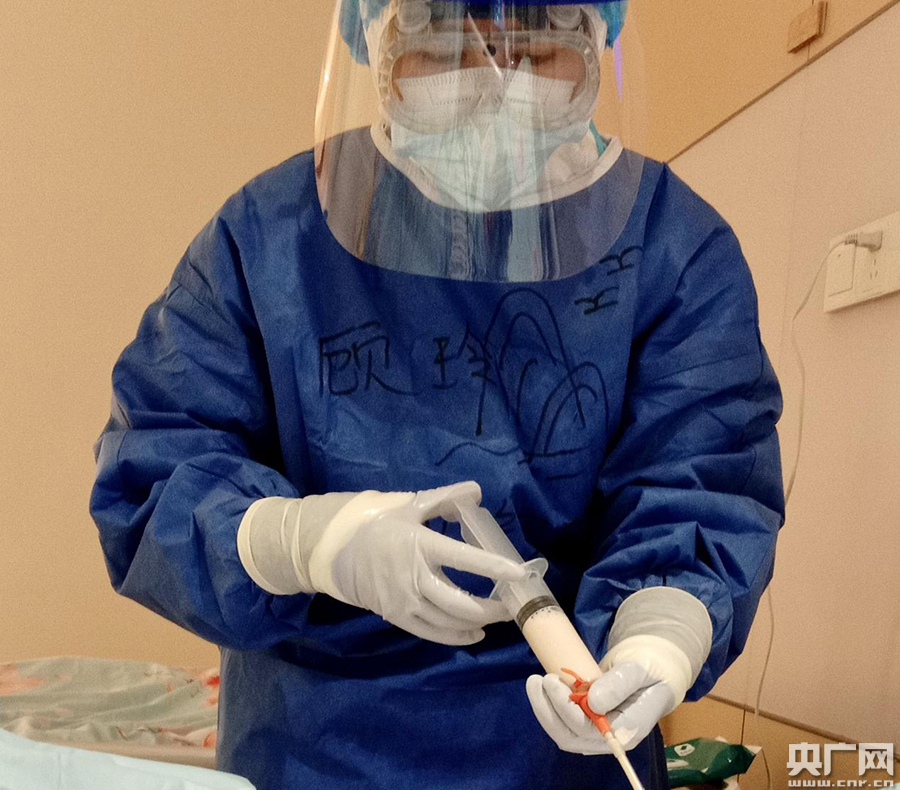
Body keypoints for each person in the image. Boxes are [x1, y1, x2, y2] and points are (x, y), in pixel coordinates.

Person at [90, 1, 785, 788]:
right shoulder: (270, 237)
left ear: (598, 40)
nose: (492, 84)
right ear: (375, 41)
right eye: (443, 45)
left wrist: (658, 636)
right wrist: (306, 542)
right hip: (314, 747)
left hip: (562, 740)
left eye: (536, 48)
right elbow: (158, 470)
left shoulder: (670, 244)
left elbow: (703, 480)